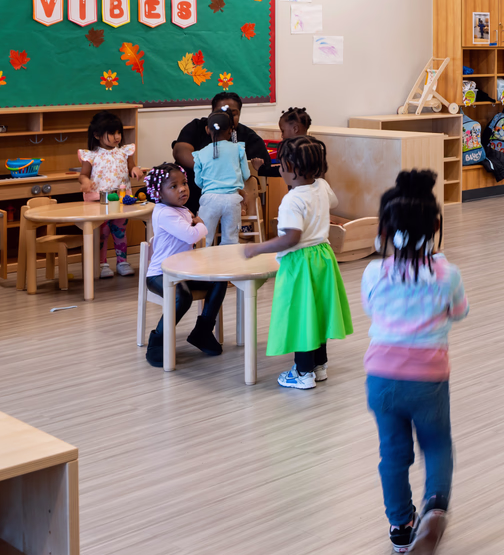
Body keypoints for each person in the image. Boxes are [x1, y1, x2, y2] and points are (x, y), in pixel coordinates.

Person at [363, 170, 467, 554]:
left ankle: (400, 525)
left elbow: (371, 309)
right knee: (437, 444)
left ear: (385, 229)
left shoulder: (375, 271)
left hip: (381, 376)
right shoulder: (447, 274)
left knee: (392, 453)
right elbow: (459, 312)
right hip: (429, 378)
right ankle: (435, 506)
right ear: (436, 225)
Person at [246, 136, 352, 389]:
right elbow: (332, 203)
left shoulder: (292, 200)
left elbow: (291, 238)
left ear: (290, 168)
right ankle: (318, 365)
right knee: (318, 311)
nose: (279, 169)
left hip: (300, 262)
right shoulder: (322, 186)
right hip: (323, 257)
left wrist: (258, 248)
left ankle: (303, 374)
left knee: (302, 315)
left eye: (281, 164)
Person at [141, 164, 229, 366]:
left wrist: (197, 223)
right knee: (182, 296)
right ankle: (157, 342)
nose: (182, 189)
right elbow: (192, 234)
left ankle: (203, 331)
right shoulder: (164, 212)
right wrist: (201, 224)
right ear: (158, 193)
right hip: (160, 274)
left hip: (184, 272)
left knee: (219, 280)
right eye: (173, 186)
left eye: (184, 183)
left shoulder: (182, 210)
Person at [173, 91, 270, 212]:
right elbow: (180, 152)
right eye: (221, 113)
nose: (227, 118)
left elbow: (260, 167)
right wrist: (210, 168)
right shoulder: (197, 127)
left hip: (234, 196)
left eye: (233, 114)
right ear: (212, 112)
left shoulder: (248, 137)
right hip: (195, 192)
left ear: (239, 114)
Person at [78, 111, 144, 279]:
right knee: (102, 232)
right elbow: (83, 175)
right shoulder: (91, 155)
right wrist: (85, 182)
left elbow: (131, 168)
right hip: (98, 202)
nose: (117, 137)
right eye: (112, 133)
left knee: (120, 231)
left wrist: (135, 170)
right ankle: (102, 264)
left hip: (120, 199)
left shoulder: (125, 152)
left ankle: (122, 261)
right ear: (97, 135)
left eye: (119, 133)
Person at [193, 110, 251, 246]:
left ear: (208, 130)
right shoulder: (238, 149)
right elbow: (246, 175)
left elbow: (198, 181)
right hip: (232, 200)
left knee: (204, 238)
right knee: (231, 239)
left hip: (209, 199)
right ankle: (227, 266)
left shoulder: (200, 154)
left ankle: (202, 265)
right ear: (231, 131)